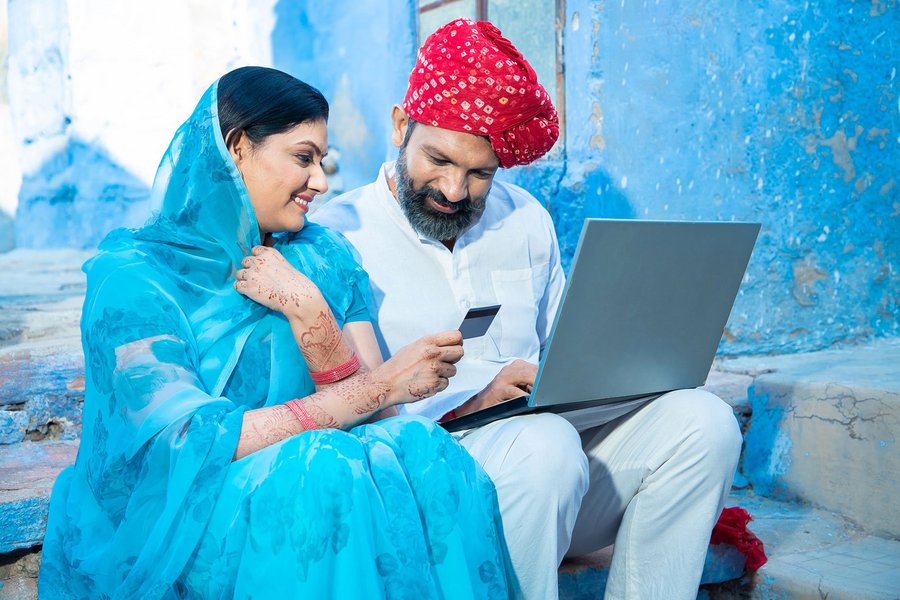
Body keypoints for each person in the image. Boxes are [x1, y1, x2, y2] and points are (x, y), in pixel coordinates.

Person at [38, 66, 515, 599]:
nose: (321, 182)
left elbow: (376, 420)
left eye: (322, 161)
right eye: (303, 158)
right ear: (237, 148)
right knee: (326, 471)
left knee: (417, 447)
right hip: (188, 508)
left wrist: (310, 311)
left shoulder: (324, 255)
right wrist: (381, 385)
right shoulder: (136, 278)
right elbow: (184, 442)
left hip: (322, 480)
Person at [313, 19, 743, 600]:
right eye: (438, 159)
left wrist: (620, 375)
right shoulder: (338, 236)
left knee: (705, 421)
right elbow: (342, 414)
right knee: (545, 447)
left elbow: (565, 351)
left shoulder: (526, 219)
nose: (455, 190)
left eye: (479, 173)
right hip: (426, 487)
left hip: (555, 477)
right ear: (399, 126)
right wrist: (473, 405)